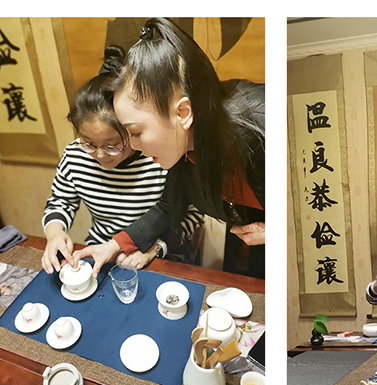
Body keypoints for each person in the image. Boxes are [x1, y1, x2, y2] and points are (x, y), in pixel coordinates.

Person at [72, 18, 265, 279]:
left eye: (135, 132)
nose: (134, 146)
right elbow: (169, 206)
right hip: (245, 230)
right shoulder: (184, 151)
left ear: (182, 112)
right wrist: (112, 246)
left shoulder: (261, 126)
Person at [42, 45, 202, 274]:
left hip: (159, 254)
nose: (99, 154)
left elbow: (191, 213)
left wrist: (156, 248)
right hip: (100, 252)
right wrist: (55, 233)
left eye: (112, 145)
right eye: (88, 142)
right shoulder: (74, 156)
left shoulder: (161, 157)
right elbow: (61, 202)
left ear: (132, 130)